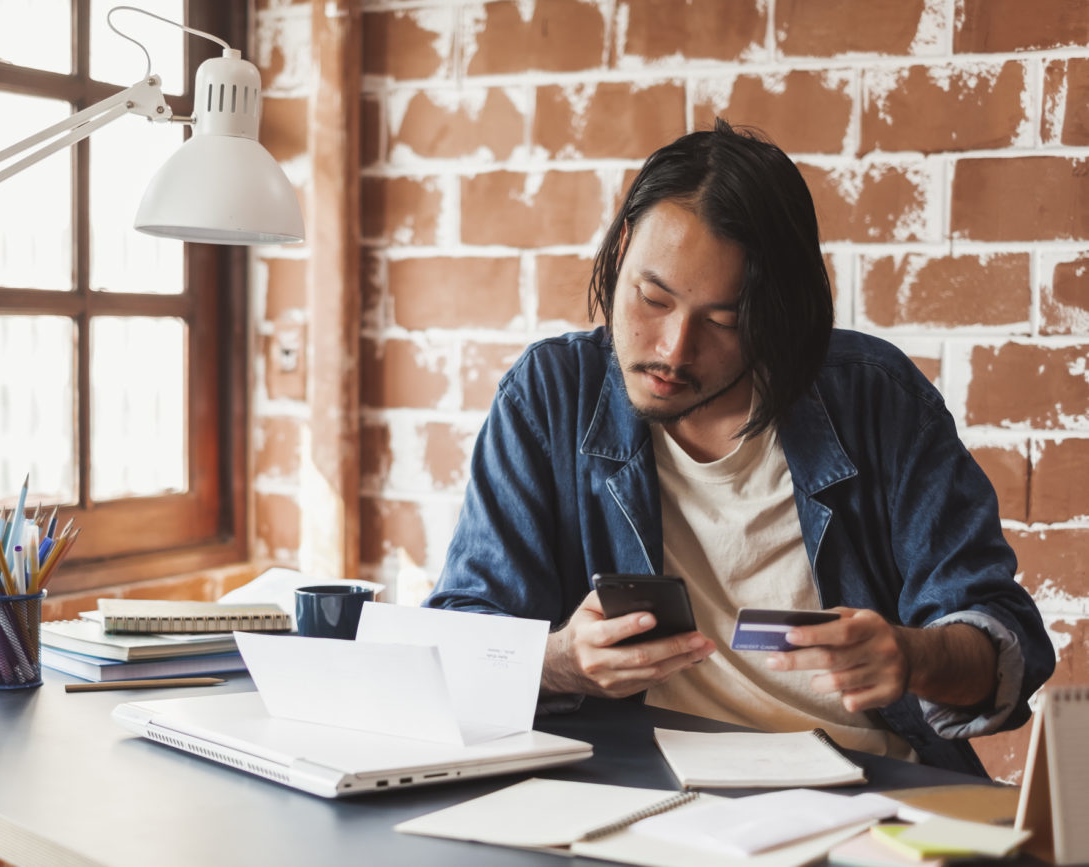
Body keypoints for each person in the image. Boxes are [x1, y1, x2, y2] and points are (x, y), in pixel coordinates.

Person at [425, 118, 1054, 775]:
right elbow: (458, 643)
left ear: (777, 317)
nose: (672, 349)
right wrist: (561, 663)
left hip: (866, 788)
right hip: (633, 786)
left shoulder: (879, 399)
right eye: (652, 298)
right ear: (617, 260)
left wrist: (912, 655)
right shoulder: (549, 396)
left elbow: (1004, 642)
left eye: (723, 321)